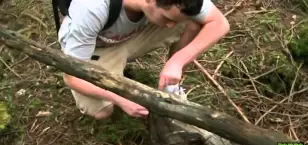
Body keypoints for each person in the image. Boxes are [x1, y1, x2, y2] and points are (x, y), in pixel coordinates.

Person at [58, 0, 230, 120]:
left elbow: (220, 23)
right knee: (102, 112)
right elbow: (72, 76)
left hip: (133, 36)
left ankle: (170, 88)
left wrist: (177, 61)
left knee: (194, 23)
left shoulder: (179, 3)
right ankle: (112, 73)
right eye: (167, 19)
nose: (171, 25)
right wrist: (121, 97)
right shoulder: (91, 8)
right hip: (99, 48)